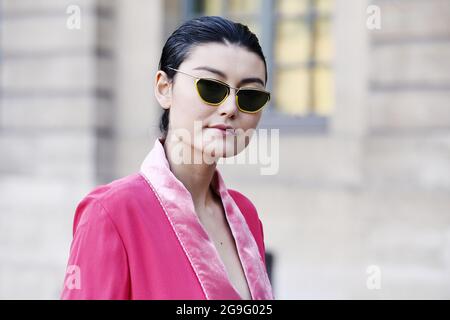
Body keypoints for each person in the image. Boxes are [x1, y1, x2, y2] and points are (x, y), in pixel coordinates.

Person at [61, 15, 273, 300]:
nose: (231, 108)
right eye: (210, 87)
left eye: (250, 96)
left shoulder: (245, 214)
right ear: (164, 88)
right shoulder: (111, 213)